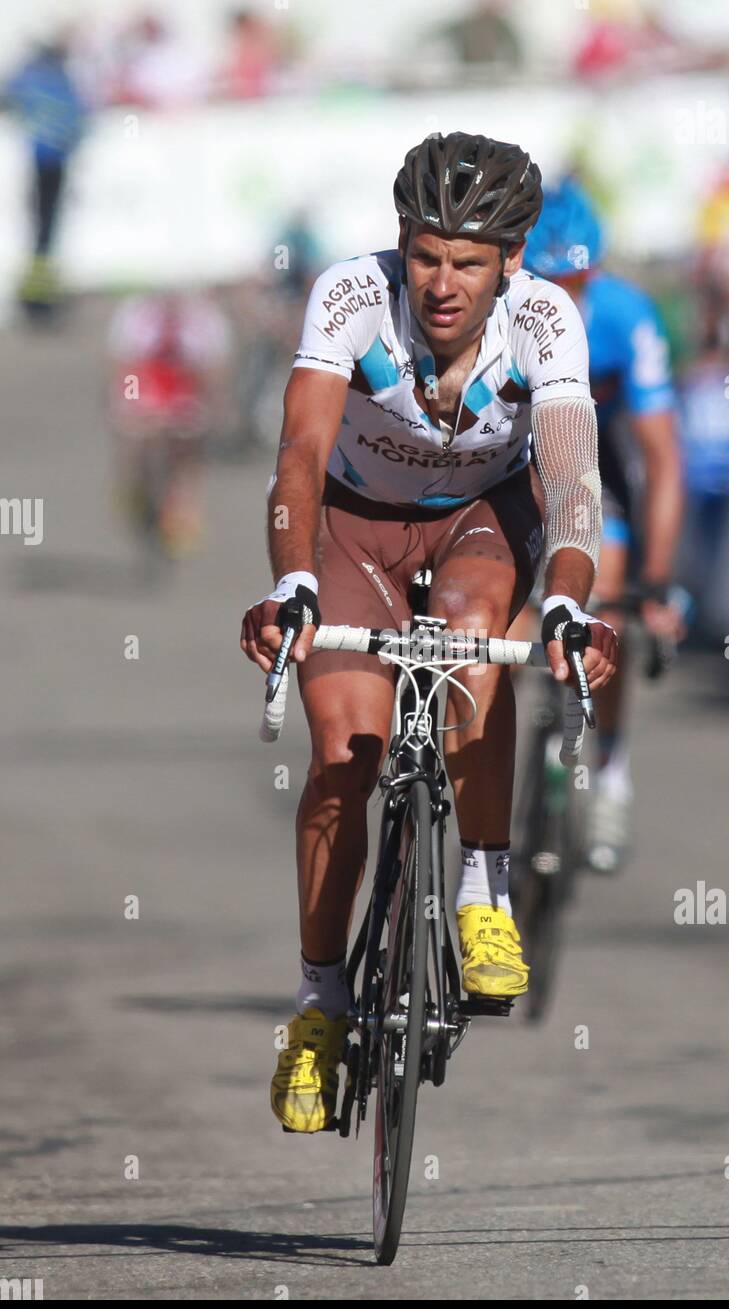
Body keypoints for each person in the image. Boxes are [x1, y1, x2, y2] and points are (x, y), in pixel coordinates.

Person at [240, 132, 618, 1133]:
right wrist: (291, 580)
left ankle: (482, 893)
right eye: (424, 254)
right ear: (399, 243)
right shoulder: (348, 295)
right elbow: (299, 450)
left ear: (512, 258)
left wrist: (570, 597)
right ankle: (321, 1004)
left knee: (464, 644)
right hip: (350, 528)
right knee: (341, 755)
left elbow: (573, 482)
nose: (441, 283)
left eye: (468, 261)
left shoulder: (545, 320)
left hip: (477, 524)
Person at [520, 177, 684, 871]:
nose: (569, 296)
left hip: (597, 465)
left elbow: (662, 462)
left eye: (580, 279)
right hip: (518, 455)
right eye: (552, 280)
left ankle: (609, 769)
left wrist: (654, 583)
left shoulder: (627, 316)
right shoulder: (507, 313)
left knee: (603, 591)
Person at [107, 290, 232, 554]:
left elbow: (212, 368)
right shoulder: (137, 311)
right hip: (146, 379)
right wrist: (119, 403)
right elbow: (123, 362)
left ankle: (183, 502)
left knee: (189, 440)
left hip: (185, 382)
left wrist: (214, 407)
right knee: (136, 434)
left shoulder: (205, 317)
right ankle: (136, 486)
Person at [4, 38, 87, 318]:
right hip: (55, 165)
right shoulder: (62, 82)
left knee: (41, 233)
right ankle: (38, 296)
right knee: (45, 233)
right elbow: (80, 123)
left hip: (41, 164)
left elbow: (9, 96)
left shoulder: (33, 79)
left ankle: (37, 295)